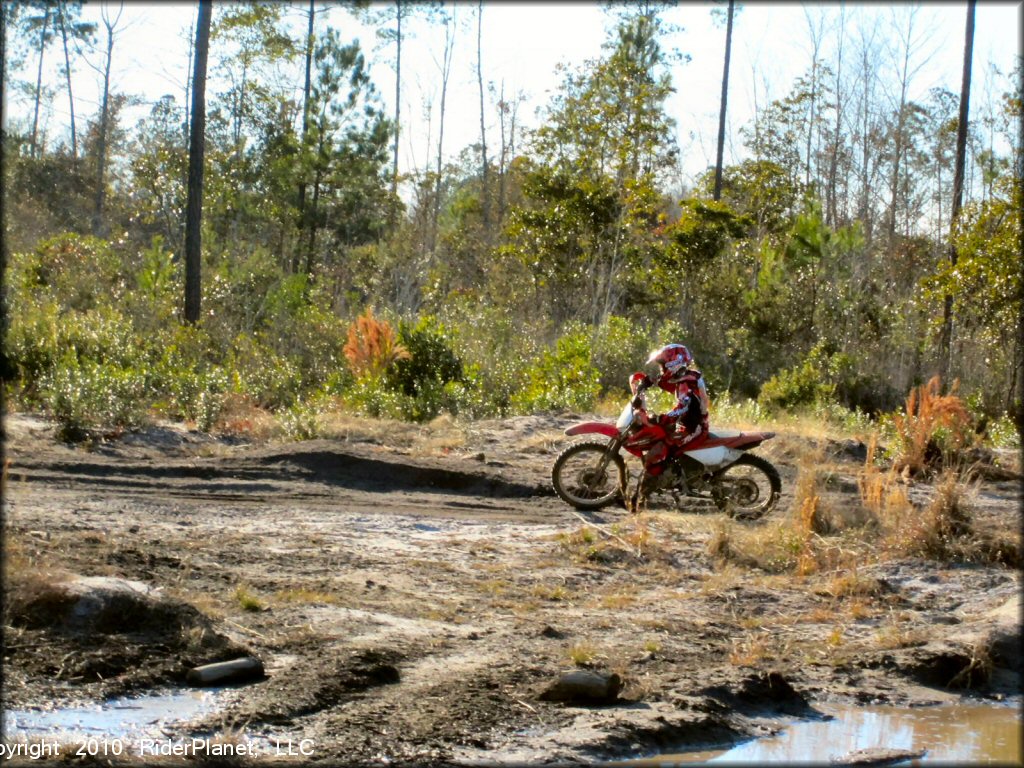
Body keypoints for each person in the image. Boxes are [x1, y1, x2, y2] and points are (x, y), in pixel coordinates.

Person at [630, 343, 710, 491]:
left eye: (663, 365)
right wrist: (648, 382)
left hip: (694, 426)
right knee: (661, 437)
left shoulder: (687, 381)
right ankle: (668, 476)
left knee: (665, 446)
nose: (662, 369)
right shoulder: (681, 376)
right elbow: (665, 381)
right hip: (686, 422)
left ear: (674, 363)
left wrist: (660, 418)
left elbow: (682, 408)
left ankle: (675, 479)